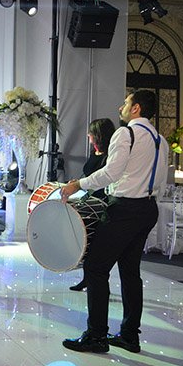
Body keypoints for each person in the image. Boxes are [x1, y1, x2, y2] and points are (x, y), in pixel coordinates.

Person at [60, 90, 168, 354]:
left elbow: (111, 172)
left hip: (124, 209)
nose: (121, 107)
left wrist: (78, 184)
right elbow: (162, 180)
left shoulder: (126, 133)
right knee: (130, 272)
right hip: (148, 209)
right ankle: (130, 335)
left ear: (136, 108)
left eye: (126, 103)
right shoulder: (160, 140)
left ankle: (96, 335)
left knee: (95, 268)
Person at [69, 118, 116, 292]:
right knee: (86, 241)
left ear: (98, 134)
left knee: (97, 244)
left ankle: (95, 280)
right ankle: (87, 278)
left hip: (101, 202)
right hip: (88, 200)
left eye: (91, 132)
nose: (88, 135)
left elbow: (104, 178)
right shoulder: (94, 152)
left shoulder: (110, 156)